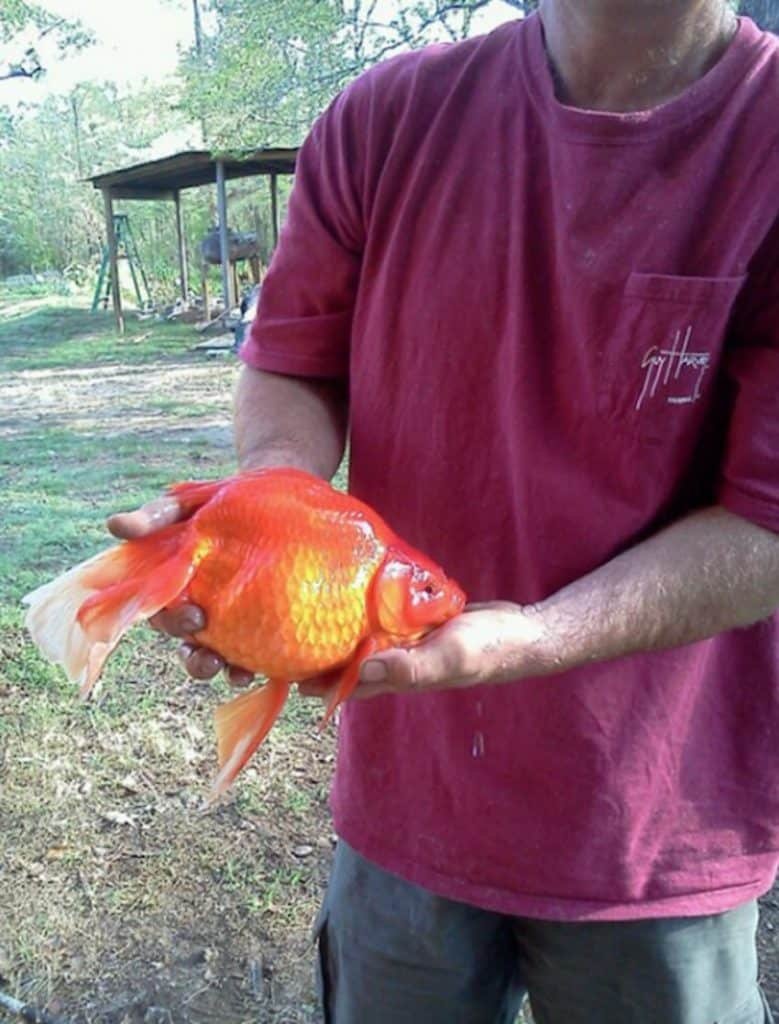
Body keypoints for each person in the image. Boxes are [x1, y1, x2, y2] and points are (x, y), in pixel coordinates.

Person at [109, 1, 779, 1020]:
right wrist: (272, 524)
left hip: (657, 833)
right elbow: (291, 364)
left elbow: (764, 525)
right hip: (403, 816)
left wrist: (537, 637)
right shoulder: (384, 117)